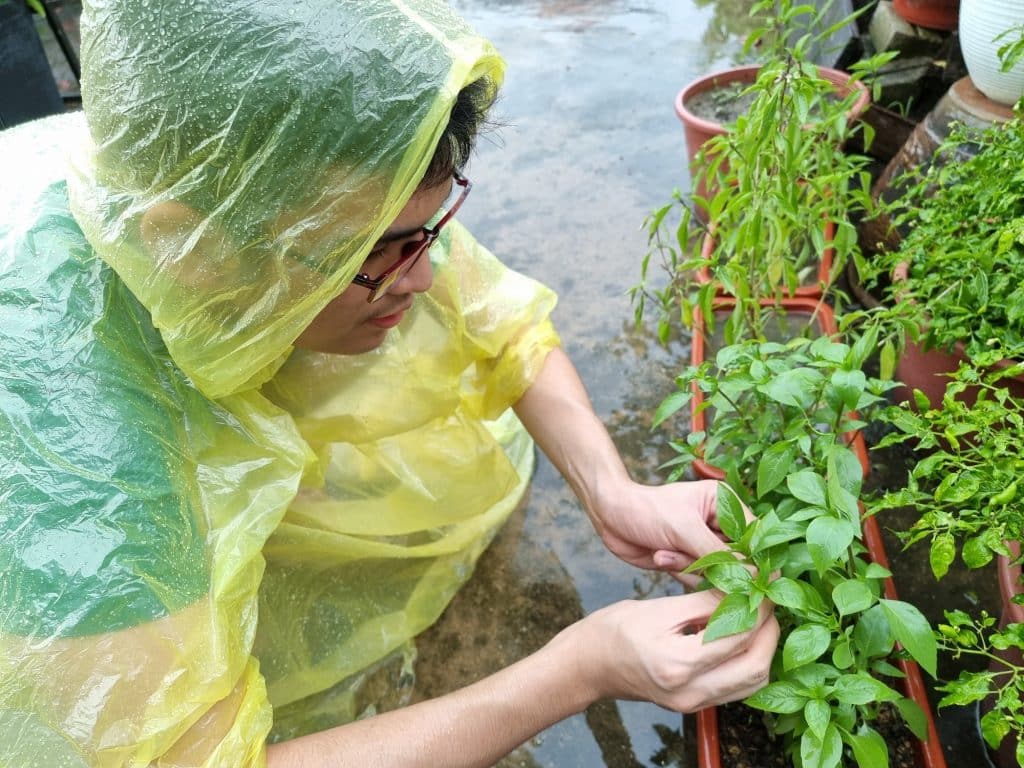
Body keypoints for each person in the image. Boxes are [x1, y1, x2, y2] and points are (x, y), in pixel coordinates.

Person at [0, 1, 779, 766]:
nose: (427, 275)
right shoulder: (64, 450)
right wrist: (578, 669)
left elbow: (500, 323)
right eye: (388, 251)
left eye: (430, 230)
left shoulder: (289, 192)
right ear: (188, 244)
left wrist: (614, 489)